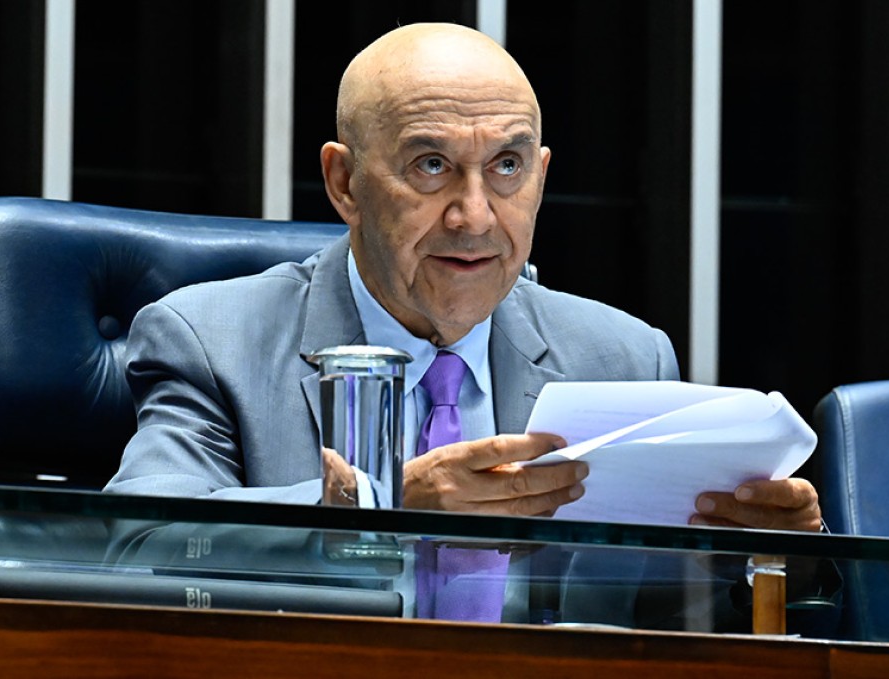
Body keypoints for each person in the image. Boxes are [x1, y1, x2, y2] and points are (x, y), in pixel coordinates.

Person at [104, 22, 829, 627]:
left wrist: (774, 562)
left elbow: (668, 616)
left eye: (507, 166)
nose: (475, 216)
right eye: (431, 165)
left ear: (540, 176)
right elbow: (133, 552)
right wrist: (377, 507)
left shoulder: (625, 357)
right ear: (345, 183)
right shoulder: (210, 338)